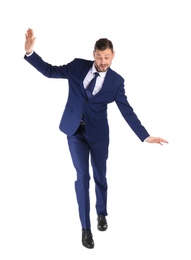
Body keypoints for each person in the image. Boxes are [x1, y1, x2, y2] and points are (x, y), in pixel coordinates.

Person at [24, 28, 168, 249]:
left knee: (100, 177)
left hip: (99, 136)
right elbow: (50, 71)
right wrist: (31, 53)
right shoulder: (77, 66)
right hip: (75, 132)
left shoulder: (116, 82)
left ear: (113, 56)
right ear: (93, 54)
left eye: (107, 57)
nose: (103, 61)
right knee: (83, 177)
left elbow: (126, 111)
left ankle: (102, 213)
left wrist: (144, 135)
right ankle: (86, 229)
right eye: (100, 57)